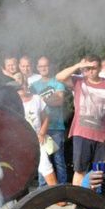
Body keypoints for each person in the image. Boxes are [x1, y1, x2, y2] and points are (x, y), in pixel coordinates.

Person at [57, 55, 105, 185]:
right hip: (82, 132)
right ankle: (77, 200)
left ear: (99, 68)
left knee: (101, 171)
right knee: (80, 170)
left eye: (94, 68)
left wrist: (102, 115)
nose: (90, 71)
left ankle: (96, 200)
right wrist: (77, 66)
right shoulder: (79, 81)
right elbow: (59, 77)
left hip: (102, 135)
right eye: (88, 68)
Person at [30, 57, 69, 185]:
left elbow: (59, 101)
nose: (43, 68)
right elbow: (31, 102)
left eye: (45, 66)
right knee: (43, 160)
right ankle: (43, 189)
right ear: (37, 68)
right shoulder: (33, 86)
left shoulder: (58, 83)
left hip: (56, 127)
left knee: (58, 160)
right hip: (40, 129)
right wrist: (49, 99)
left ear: (50, 66)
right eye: (41, 66)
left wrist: (41, 100)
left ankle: (62, 189)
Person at [17, 78, 57, 188]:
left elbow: (46, 117)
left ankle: (57, 195)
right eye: (18, 86)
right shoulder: (13, 103)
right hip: (19, 142)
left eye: (22, 85)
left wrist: (42, 133)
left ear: (26, 85)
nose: (21, 88)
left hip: (37, 140)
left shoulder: (36, 99)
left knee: (45, 165)